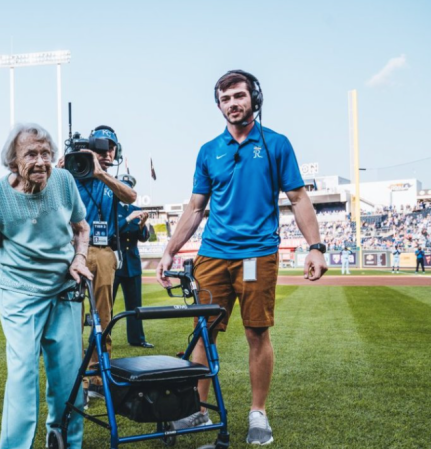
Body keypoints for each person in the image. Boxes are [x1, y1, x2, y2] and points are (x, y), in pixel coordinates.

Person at [156, 70, 327, 445]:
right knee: (204, 332)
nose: (232, 104)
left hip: (255, 257)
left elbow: (298, 199)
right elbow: (195, 208)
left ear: (254, 98)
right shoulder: (208, 150)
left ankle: (258, 413)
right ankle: (196, 411)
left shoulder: (276, 144)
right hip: (213, 256)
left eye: (238, 96)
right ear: (218, 106)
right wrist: (169, 251)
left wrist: (316, 246)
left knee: (256, 331)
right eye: (225, 99)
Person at [0, 123, 91, 449]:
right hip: (20, 295)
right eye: (31, 154)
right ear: (13, 162)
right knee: (23, 377)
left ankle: (64, 439)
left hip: (64, 290)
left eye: (46, 153)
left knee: (69, 381)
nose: (41, 162)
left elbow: (82, 228)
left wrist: (79, 258)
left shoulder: (64, 181)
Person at [59, 126, 136, 400]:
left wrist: (101, 173)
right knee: (72, 320)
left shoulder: (108, 179)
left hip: (104, 252)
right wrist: (62, 169)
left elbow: (131, 197)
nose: (106, 155)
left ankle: (98, 379)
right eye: (100, 150)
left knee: (103, 317)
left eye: (110, 149)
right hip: (72, 251)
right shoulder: (71, 175)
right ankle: (75, 381)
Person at [112, 173, 153, 348]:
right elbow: (111, 232)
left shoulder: (135, 208)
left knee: (135, 304)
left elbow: (144, 238)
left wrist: (142, 225)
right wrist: (129, 219)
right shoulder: (109, 208)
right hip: (114, 262)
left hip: (132, 263)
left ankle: (137, 338)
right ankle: (99, 340)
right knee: (106, 305)